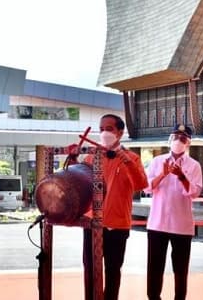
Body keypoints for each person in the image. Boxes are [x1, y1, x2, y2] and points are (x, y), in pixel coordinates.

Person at [80, 114, 148, 300]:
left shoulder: (132, 158)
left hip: (117, 225)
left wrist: (124, 158)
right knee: (90, 269)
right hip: (92, 223)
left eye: (109, 129)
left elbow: (142, 183)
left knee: (112, 270)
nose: (104, 132)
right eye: (101, 129)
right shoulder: (91, 156)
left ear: (120, 132)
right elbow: (79, 181)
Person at [144, 124, 203, 300]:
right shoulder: (157, 161)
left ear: (188, 143)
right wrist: (162, 174)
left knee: (181, 270)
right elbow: (146, 187)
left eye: (182, 138)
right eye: (175, 137)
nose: (178, 141)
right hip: (157, 224)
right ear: (170, 139)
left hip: (182, 226)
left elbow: (194, 192)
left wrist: (181, 176)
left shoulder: (194, 165)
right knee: (154, 268)